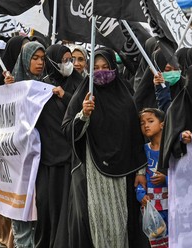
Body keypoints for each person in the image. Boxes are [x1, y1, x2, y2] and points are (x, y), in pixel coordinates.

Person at [61, 48, 147, 248]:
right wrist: (83, 115)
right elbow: (67, 130)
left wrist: (140, 171)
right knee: (97, 223)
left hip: (123, 172)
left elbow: (135, 135)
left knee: (121, 224)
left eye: (105, 67)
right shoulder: (85, 94)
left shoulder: (125, 97)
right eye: (96, 68)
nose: (101, 72)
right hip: (94, 173)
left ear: (113, 68)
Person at [33, 44, 83, 248]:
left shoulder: (79, 84)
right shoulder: (40, 87)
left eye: (70, 59)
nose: (69, 64)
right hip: (46, 159)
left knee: (67, 210)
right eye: (64, 60)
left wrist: (65, 96)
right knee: (45, 206)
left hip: (71, 159)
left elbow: (84, 113)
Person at [1, 41, 48, 248]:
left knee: (38, 220)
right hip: (18, 165)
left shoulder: (48, 87)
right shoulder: (12, 86)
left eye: (42, 58)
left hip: (41, 164)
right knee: (21, 222)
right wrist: (8, 92)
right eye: (34, 58)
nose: (39, 63)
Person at [138, 108, 169, 246]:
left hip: (171, 205)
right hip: (152, 208)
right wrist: (140, 195)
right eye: (142, 123)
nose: (146, 125)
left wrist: (166, 179)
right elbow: (139, 177)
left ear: (162, 124)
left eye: (151, 121)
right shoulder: (143, 150)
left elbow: (182, 176)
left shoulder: (171, 149)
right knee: (156, 242)